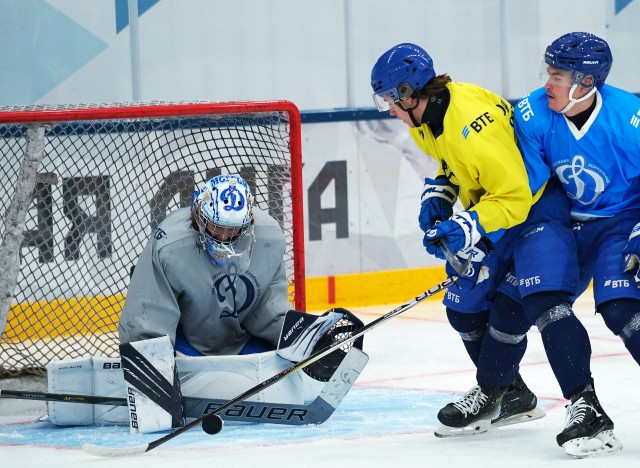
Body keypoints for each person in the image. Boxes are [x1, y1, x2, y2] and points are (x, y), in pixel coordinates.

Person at [370, 42, 617, 458]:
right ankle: (509, 393)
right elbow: (456, 164)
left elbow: (515, 196)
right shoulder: (429, 116)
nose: (389, 109)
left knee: (534, 303)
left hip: (538, 209)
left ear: (410, 93)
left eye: (390, 100)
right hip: (500, 211)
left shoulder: (471, 126)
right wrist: (441, 191)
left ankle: (587, 408)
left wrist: (467, 227)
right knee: (462, 306)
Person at [513, 31, 640, 455]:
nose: (546, 83)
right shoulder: (531, 114)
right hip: (559, 220)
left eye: (557, 75)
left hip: (621, 222)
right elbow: (532, 186)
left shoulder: (631, 117)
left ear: (586, 83)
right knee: (539, 299)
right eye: (547, 72)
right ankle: (585, 407)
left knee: (622, 307)